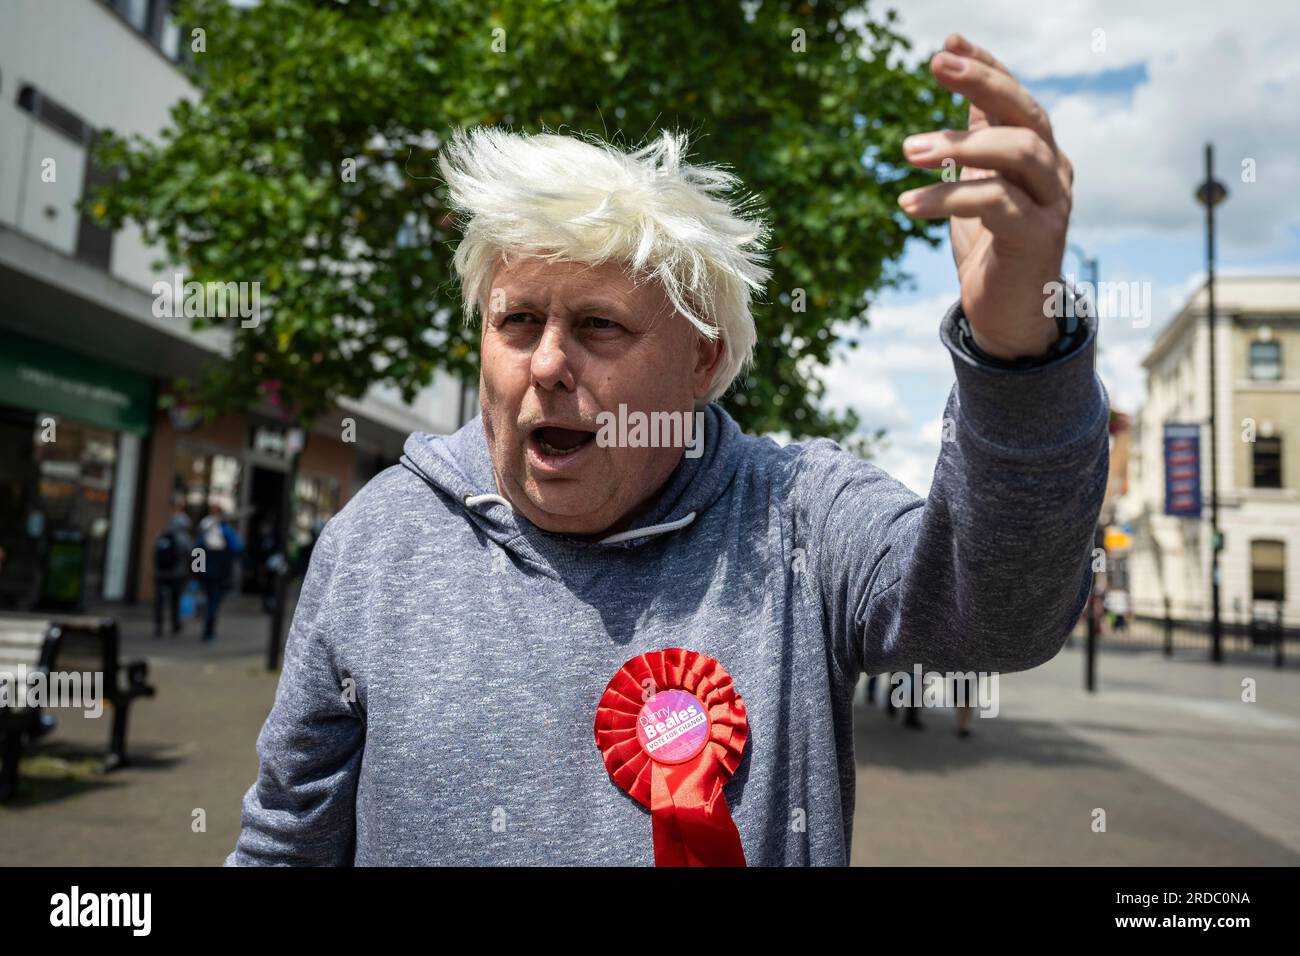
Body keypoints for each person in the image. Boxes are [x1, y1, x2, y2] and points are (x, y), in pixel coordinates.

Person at [228, 35, 1107, 866]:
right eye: (518, 321)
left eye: (599, 325)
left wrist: (1015, 354)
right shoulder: (379, 538)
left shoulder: (797, 511)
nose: (545, 364)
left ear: (702, 358)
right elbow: (285, 841)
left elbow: (998, 614)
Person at [197, 504, 242, 642]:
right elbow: (237, 549)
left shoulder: (205, 528)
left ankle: (207, 628)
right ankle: (209, 630)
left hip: (205, 572)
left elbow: (196, 550)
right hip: (220, 572)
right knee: (214, 602)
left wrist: (197, 572)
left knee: (209, 599)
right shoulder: (225, 530)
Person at [152, 498, 192, 638]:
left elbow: (154, 553)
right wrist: (198, 572)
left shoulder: (162, 535)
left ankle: (158, 626)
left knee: (160, 601)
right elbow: (194, 554)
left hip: (160, 573)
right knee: (175, 600)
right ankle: (175, 624)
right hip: (176, 574)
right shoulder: (185, 538)